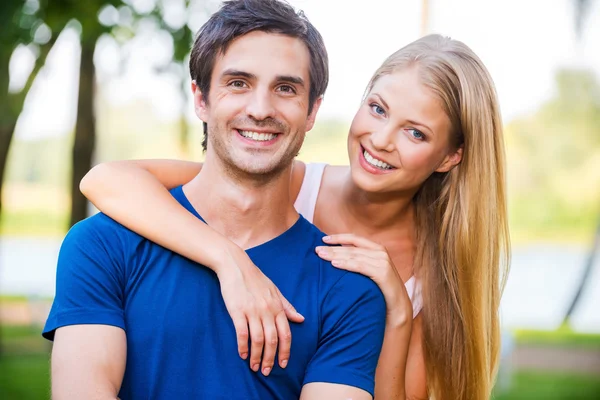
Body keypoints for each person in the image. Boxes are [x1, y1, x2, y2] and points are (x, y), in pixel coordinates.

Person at [81, 28, 510, 400]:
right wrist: (230, 260)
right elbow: (106, 180)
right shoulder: (287, 183)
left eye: (415, 132)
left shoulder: (434, 276)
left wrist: (396, 310)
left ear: (450, 156)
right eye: (377, 109)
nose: (381, 140)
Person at [43, 1, 389, 399]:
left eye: (286, 89)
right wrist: (229, 259)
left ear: (312, 112)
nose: (260, 109)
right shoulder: (102, 245)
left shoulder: (346, 290)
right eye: (238, 83)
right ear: (201, 99)